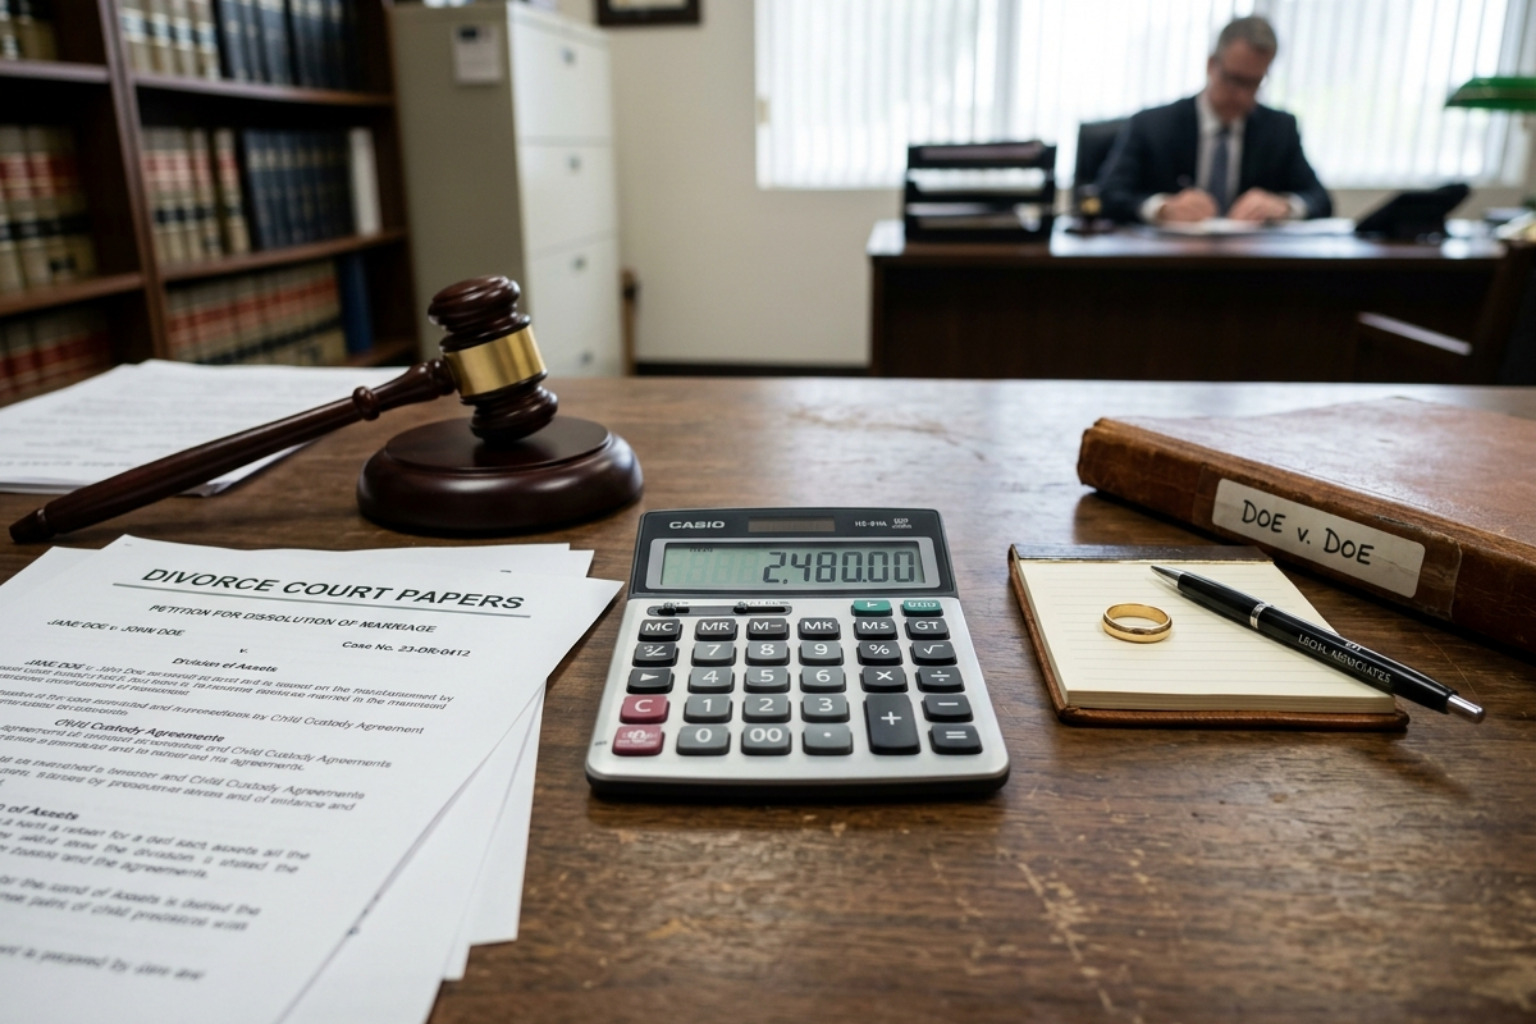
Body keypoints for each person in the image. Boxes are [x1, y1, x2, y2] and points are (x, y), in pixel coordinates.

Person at [1095, 16, 1331, 224]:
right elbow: (1106, 194)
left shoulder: (1280, 129)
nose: (1241, 94)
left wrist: (1284, 206)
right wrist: (1162, 208)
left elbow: (1320, 200)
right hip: (1169, 263)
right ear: (1211, 65)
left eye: (1254, 83)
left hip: (1251, 263)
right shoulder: (1152, 125)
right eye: (1234, 79)